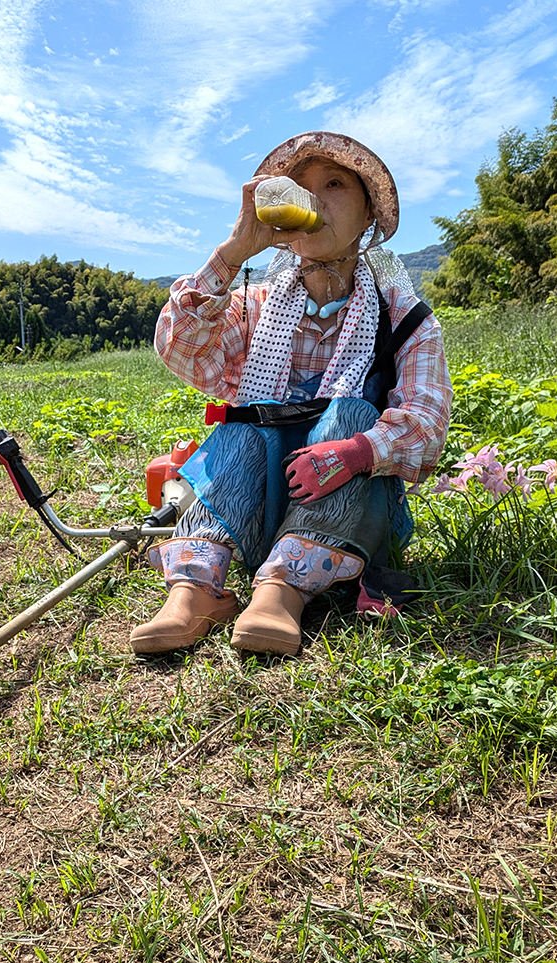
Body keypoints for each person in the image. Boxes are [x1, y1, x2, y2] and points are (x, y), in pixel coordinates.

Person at [130, 131, 452, 656]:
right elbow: (180, 346)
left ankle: (283, 591)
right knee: (241, 428)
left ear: (369, 215)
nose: (312, 199)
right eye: (296, 187)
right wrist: (235, 249)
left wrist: (356, 451)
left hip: (354, 516)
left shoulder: (401, 314)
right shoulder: (256, 305)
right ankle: (195, 589)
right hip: (258, 509)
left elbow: (427, 418)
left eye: (334, 184)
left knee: (350, 414)